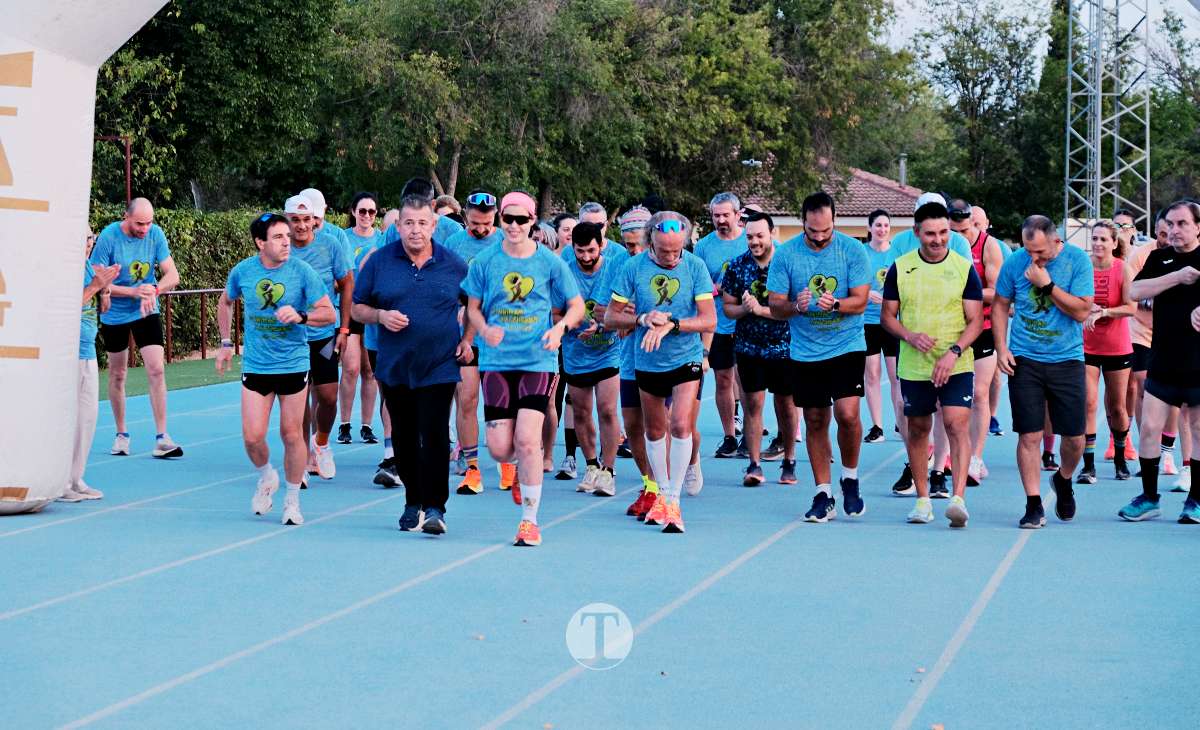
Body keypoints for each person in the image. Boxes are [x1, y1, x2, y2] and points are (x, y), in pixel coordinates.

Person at [464, 191, 584, 547]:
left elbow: (576, 306)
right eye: (508, 219)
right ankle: (517, 468)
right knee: (500, 448)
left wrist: (560, 329)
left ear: (533, 222)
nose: (514, 225)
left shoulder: (549, 262)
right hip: (497, 361)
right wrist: (484, 329)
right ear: (500, 219)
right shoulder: (485, 261)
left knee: (529, 440)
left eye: (522, 219)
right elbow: (472, 308)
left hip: (537, 360)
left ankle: (529, 521)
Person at [354, 195, 471, 535]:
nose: (415, 230)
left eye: (422, 223)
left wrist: (468, 339)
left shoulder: (453, 264)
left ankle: (435, 508)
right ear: (398, 226)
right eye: (408, 223)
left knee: (434, 433)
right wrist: (380, 316)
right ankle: (412, 499)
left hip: (439, 364)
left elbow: (475, 303)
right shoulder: (379, 262)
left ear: (434, 226)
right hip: (395, 365)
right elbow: (357, 307)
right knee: (403, 437)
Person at [216, 213, 335, 526]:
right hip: (256, 364)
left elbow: (329, 313)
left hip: (292, 363)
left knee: (291, 433)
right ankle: (267, 475)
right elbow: (225, 301)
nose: (287, 242)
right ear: (260, 242)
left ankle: (292, 500)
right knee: (252, 437)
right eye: (279, 237)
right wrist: (226, 342)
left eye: (287, 236)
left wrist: (301, 316)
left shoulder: (302, 271)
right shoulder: (244, 271)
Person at [606, 211, 716, 533]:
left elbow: (709, 320)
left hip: (686, 357)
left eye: (677, 250)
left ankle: (673, 500)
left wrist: (674, 324)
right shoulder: (633, 268)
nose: (671, 257)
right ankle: (662, 493)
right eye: (664, 251)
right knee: (654, 431)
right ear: (650, 242)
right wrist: (642, 319)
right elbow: (610, 317)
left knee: (680, 424)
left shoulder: (695, 266)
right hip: (648, 359)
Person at [767, 191, 871, 524]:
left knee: (848, 414)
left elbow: (860, 301)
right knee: (814, 419)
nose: (820, 237)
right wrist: (795, 306)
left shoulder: (852, 250)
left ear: (834, 221)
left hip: (846, 345)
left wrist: (837, 304)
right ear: (803, 223)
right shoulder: (786, 255)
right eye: (813, 231)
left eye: (826, 231)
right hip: (805, 350)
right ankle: (823, 493)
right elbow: (775, 306)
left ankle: (850, 477)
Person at [881, 202, 983, 527]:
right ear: (917, 233)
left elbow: (976, 321)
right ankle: (922, 500)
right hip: (915, 365)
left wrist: (954, 351)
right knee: (918, 429)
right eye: (930, 234)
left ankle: (958, 499)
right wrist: (909, 336)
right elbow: (887, 317)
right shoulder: (901, 267)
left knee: (956, 423)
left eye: (943, 232)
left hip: (956, 363)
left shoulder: (963, 268)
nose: (938, 239)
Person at [993, 215, 1094, 528]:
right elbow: (1000, 304)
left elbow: (1082, 311)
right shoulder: (1015, 262)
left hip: (1067, 358)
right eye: (1028, 250)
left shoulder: (1077, 261)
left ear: (1056, 240)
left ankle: (1064, 479)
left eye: (1040, 251)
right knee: (1030, 434)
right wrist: (1001, 348)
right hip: (1025, 358)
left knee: (1074, 438)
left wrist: (1046, 285)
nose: (1033, 258)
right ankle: (1033, 503)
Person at [1118, 200, 1200, 523]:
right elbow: (1135, 291)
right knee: (1150, 427)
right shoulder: (1159, 258)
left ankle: (1195, 500)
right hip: (1164, 357)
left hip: (1198, 361)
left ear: (1198, 227)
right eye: (1170, 224)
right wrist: (1176, 276)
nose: (1174, 230)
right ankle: (1149, 497)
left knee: (1197, 428)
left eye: (1182, 224)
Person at [90, 197, 184, 458]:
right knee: (118, 373)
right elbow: (96, 280)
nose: (144, 229)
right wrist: (131, 291)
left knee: (156, 369)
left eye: (148, 223)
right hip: (114, 313)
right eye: (139, 224)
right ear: (126, 217)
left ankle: (162, 437)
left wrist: (154, 290)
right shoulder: (109, 237)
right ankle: (121, 435)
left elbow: (172, 275)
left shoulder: (155, 234)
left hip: (146, 308)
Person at [720, 211, 798, 485]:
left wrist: (761, 310)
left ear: (772, 234)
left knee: (786, 404)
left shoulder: (786, 263)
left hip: (784, 347)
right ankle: (754, 465)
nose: (754, 241)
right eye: (750, 236)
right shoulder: (737, 266)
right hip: (749, 348)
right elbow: (728, 308)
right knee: (753, 404)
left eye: (760, 236)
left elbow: (795, 308)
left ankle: (789, 460)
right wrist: (745, 308)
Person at [283, 194, 354, 481]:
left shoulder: (330, 245)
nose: (301, 226)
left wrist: (344, 329)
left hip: (324, 335)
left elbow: (347, 284)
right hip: (291, 339)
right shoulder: (280, 246)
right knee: (298, 399)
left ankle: (321, 443)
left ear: (315, 220)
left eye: (306, 220)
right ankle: (300, 460)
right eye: (295, 220)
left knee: (327, 396)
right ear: (286, 221)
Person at [444, 190, 504, 494]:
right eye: (475, 223)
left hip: (498, 337)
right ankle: (472, 467)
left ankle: (508, 464)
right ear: (465, 216)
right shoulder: (454, 244)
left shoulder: (506, 242)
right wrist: (456, 306)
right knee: (467, 398)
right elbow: (444, 284)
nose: (480, 228)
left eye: (486, 223)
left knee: (499, 404)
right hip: (464, 338)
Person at [607, 206, 663, 518]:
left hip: (668, 360)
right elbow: (605, 313)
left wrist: (640, 316)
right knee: (633, 426)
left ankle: (668, 485)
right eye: (629, 245)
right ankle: (650, 486)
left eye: (640, 244)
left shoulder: (672, 263)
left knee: (667, 427)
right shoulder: (621, 265)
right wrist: (626, 318)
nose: (635, 251)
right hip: (630, 359)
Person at [561, 222, 623, 497]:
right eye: (580, 251)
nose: (586, 257)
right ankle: (591, 465)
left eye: (591, 250)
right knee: (581, 412)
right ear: (572, 248)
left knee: (607, 410)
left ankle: (608, 470)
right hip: (575, 353)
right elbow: (555, 313)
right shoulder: (564, 273)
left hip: (608, 352)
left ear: (601, 246)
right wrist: (572, 324)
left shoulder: (615, 270)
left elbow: (625, 311)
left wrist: (602, 326)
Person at [947, 199, 1004, 486]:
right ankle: (948, 452)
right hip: (951, 328)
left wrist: (965, 294)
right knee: (949, 395)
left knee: (979, 393)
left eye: (964, 231)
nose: (959, 237)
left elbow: (998, 292)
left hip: (983, 326)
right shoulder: (940, 243)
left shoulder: (988, 246)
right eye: (953, 231)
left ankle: (975, 457)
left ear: (973, 223)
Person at [62, 229, 120, 502]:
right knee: (67, 418)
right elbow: (67, 307)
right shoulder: (64, 269)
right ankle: (61, 481)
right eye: (84, 239)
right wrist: (96, 285)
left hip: (87, 351)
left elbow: (100, 309)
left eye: (90, 239)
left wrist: (105, 289)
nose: (88, 244)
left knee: (87, 417)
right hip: (68, 354)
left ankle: (76, 478)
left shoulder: (87, 266)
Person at [1078, 220, 1135, 484]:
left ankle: (1120, 459)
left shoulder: (1122, 268)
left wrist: (1104, 312)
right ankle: (1088, 465)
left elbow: (1131, 307)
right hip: (1086, 345)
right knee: (1089, 402)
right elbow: (1070, 301)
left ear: (1114, 243)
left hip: (1116, 346)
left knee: (1117, 407)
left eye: (1103, 239)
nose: (1098, 243)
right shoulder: (1083, 267)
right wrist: (1083, 308)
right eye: (1095, 238)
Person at [695, 192, 749, 457]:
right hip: (717, 324)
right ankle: (729, 436)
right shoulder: (704, 246)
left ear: (737, 215)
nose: (721, 220)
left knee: (748, 381)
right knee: (723, 379)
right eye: (716, 215)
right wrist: (717, 288)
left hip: (748, 322)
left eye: (726, 215)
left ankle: (750, 434)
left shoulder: (750, 240)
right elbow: (699, 286)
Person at [337, 192, 383, 445]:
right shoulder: (343, 238)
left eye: (371, 211)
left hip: (372, 311)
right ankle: (344, 424)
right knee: (351, 368)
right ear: (353, 212)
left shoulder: (382, 239)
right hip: (350, 309)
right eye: (362, 211)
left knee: (370, 371)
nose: (366, 216)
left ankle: (367, 425)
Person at [861, 209, 902, 447]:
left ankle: (900, 421)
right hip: (868, 321)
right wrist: (868, 293)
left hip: (892, 320)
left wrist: (890, 299)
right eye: (878, 225)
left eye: (886, 225)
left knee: (896, 374)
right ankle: (877, 426)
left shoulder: (896, 254)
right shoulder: (862, 253)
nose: (882, 229)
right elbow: (853, 282)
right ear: (869, 228)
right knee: (872, 374)